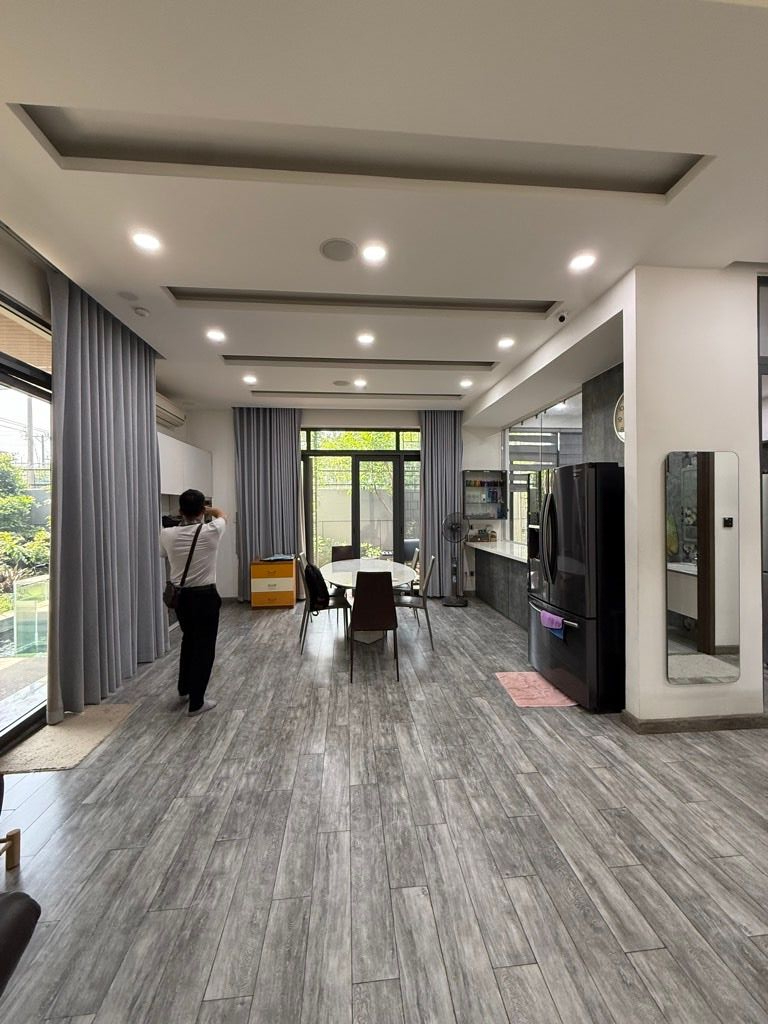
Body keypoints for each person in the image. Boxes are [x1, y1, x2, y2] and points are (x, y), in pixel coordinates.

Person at [159, 489, 227, 716]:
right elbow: (222, 514)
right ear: (201, 510)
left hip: (181, 598)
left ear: (180, 511)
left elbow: (162, 554)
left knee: (188, 640)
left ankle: (184, 688)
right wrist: (209, 510)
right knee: (204, 648)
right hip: (205, 597)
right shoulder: (211, 530)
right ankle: (197, 702)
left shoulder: (167, 534)